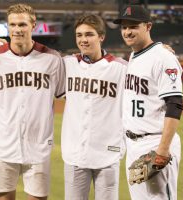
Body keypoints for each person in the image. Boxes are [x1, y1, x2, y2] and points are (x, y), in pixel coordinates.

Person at [0, 3, 65, 200]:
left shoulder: (52, 58)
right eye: (13, 24)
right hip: (3, 145)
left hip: (38, 147)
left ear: (33, 25)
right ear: (8, 26)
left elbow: (62, 94)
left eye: (22, 25)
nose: (17, 29)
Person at [113, 5, 183, 200]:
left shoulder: (163, 57)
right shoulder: (134, 55)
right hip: (134, 145)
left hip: (156, 143)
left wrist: (162, 149)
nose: (127, 31)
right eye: (124, 27)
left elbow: (175, 104)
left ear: (148, 26)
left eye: (133, 26)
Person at [61, 14, 127, 200]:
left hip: (108, 154)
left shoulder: (121, 68)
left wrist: (160, 50)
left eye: (89, 34)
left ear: (101, 37)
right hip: (75, 154)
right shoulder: (67, 64)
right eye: (79, 35)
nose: (83, 40)